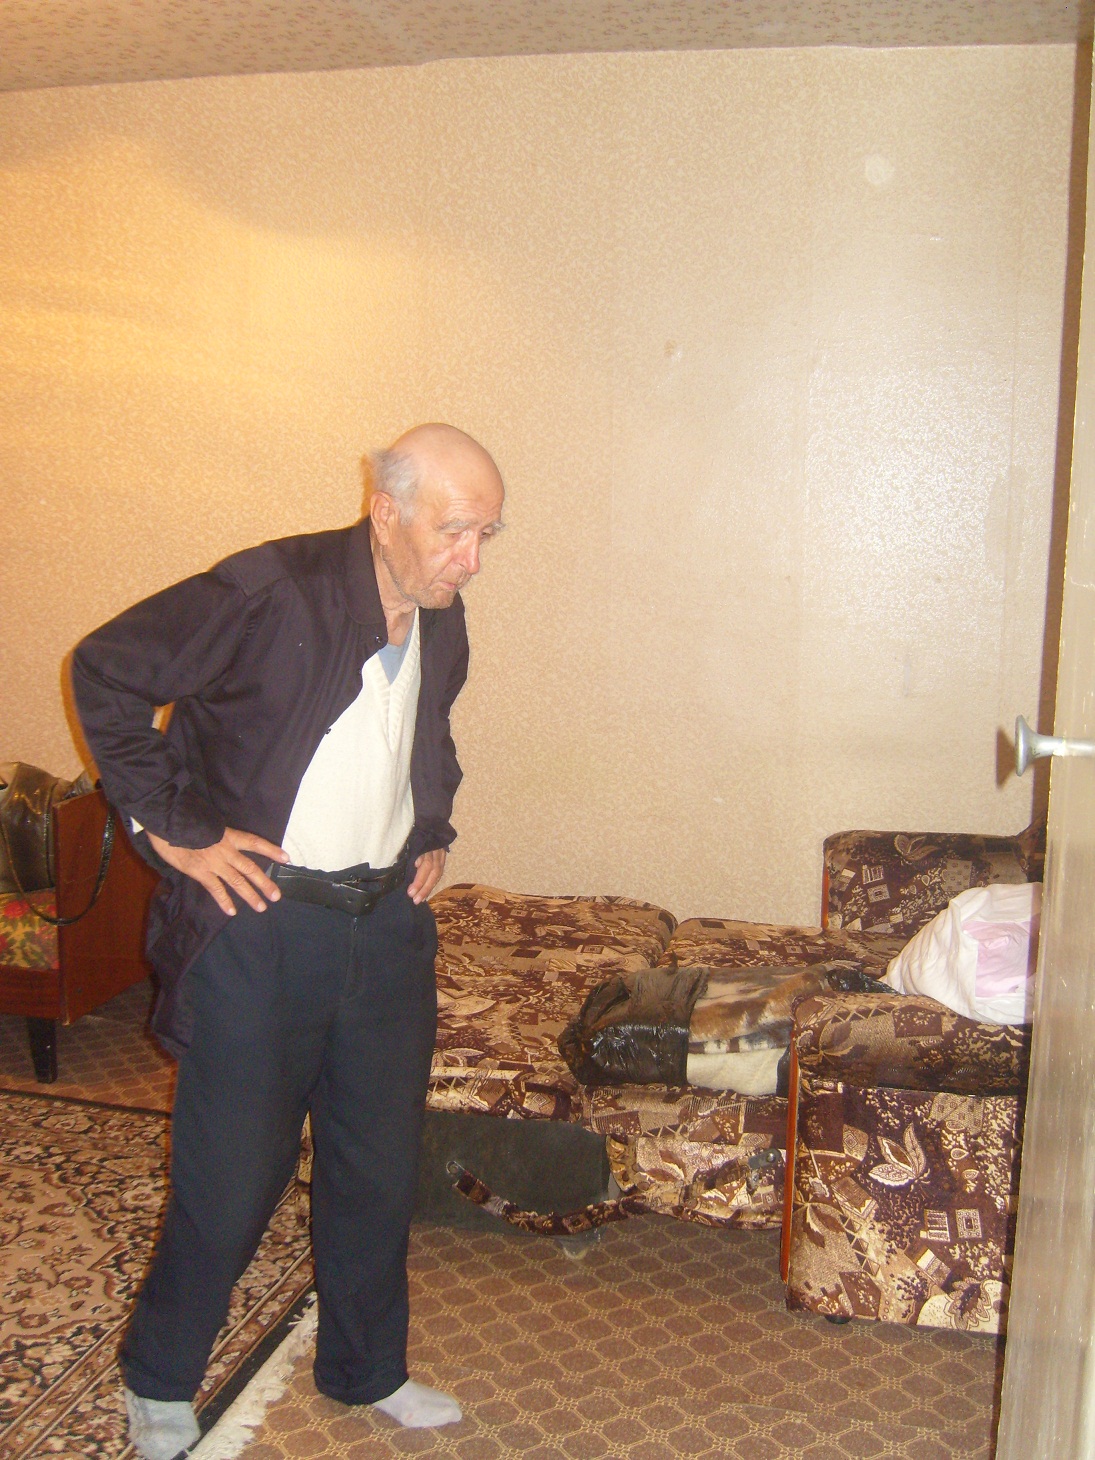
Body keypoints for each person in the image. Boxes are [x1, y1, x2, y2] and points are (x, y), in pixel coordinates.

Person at [71, 424, 505, 1460]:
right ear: (385, 511)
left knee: (377, 1167)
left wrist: (430, 827)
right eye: (454, 530)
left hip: (384, 928)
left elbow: (426, 733)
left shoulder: (441, 615)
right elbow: (105, 671)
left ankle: (366, 1368)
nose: (472, 559)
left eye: (487, 534)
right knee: (231, 1175)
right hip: (263, 924)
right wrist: (175, 830)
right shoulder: (269, 589)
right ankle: (159, 1379)